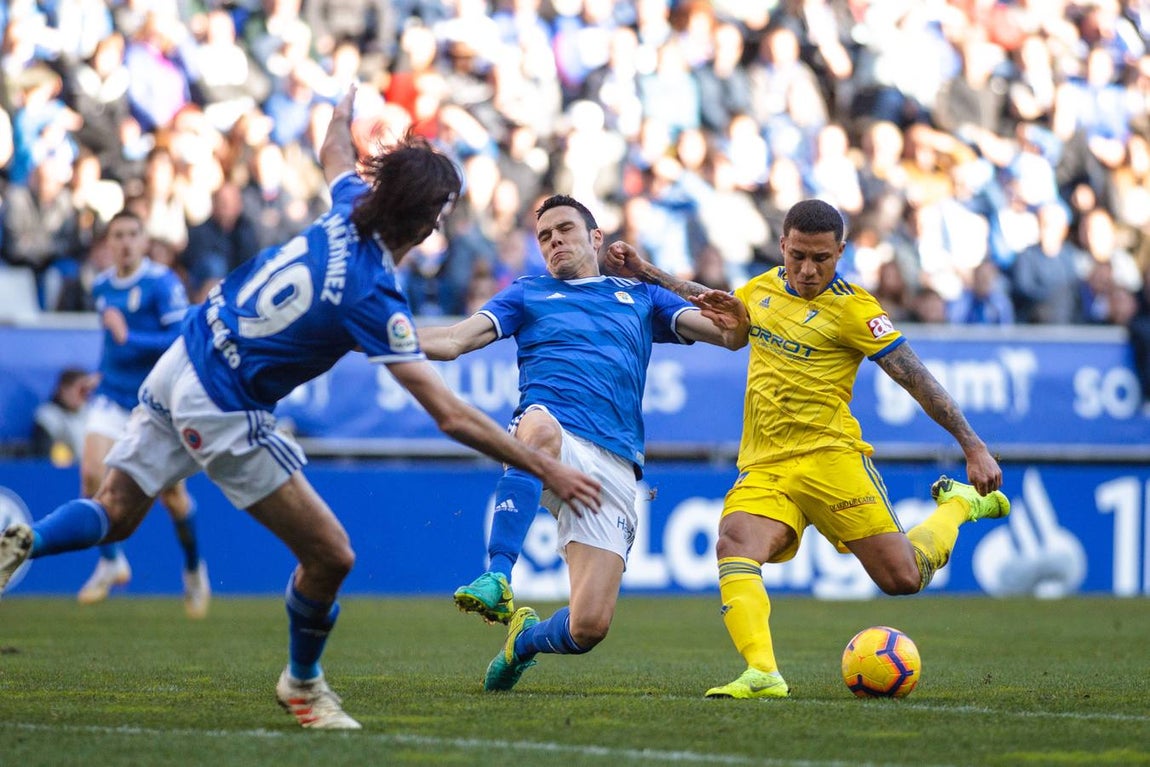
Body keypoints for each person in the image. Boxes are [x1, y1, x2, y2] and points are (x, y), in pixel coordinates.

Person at [0, 86, 600, 730]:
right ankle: (302, 685)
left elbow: (332, 146)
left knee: (114, 514)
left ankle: (23, 540)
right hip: (224, 404)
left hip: (187, 354)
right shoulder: (373, 292)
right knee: (330, 556)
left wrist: (343, 104)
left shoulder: (347, 204)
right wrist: (550, 471)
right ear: (427, 224)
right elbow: (449, 416)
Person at [604, 198, 1011, 699]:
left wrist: (973, 446)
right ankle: (763, 673)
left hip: (831, 458)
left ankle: (957, 506)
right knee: (734, 542)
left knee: (902, 578)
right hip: (766, 464)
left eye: (821, 258)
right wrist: (645, 272)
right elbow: (717, 307)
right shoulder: (761, 290)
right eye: (797, 255)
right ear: (782, 246)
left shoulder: (855, 309)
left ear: (841, 252)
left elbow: (916, 379)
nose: (808, 269)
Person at [417, 194, 746, 692]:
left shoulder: (641, 297)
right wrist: (374, 334)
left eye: (565, 230)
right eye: (544, 236)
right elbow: (452, 341)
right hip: (552, 434)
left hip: (613, 462)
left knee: (589, 626)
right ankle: (499, 576)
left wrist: (651, 272)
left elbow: (731, 333)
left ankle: (522, 641)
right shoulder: (526, 293)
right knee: (538, 428)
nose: (554, 241)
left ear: (596, 238)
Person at [77, 209, 210, 617]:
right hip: (113, 397)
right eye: (118, 235)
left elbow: (178, 338)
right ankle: (112, 561)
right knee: (91, 474)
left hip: (154, 402)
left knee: (172, 496)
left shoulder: (161, 284)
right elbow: (111, 343)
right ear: (108, 243)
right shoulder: (101, 285)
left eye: (133, 234)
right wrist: (99, 373)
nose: (126, 242)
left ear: (143, 239)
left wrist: (128, 336)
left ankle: (192, 569)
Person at [31, 367, 95, 464]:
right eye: (82, 390)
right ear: (64, 390)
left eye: (88, 390)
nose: (86, 395)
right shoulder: (48, 416)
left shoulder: (93, 414)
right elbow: (44, 455)